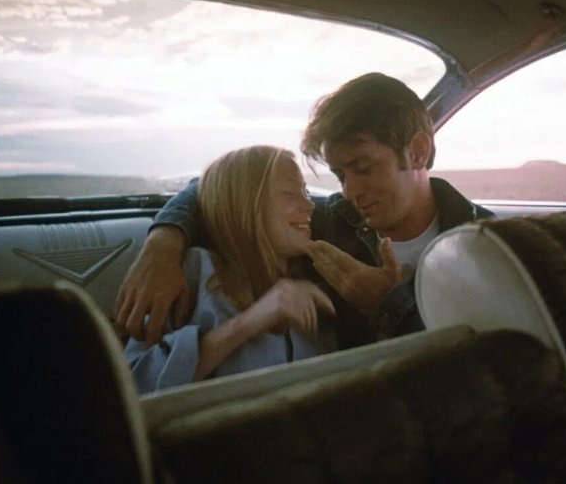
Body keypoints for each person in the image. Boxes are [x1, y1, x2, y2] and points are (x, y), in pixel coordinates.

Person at [114, 73, 493, 350]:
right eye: (340, 175)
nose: (350, 192)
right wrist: (162, 247)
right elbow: (217, 190)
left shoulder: (489, 246)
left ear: (418, 152)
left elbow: (488, 360)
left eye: (362, 168)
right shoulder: (334, 221)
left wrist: (389, 306)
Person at [124, 146, 336, 394]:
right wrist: (246, 325)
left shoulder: (319, 276)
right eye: (290, 194)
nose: (309, 205)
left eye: (306, 192)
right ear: (244, 206)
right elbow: (134, 388)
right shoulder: (192, 272)